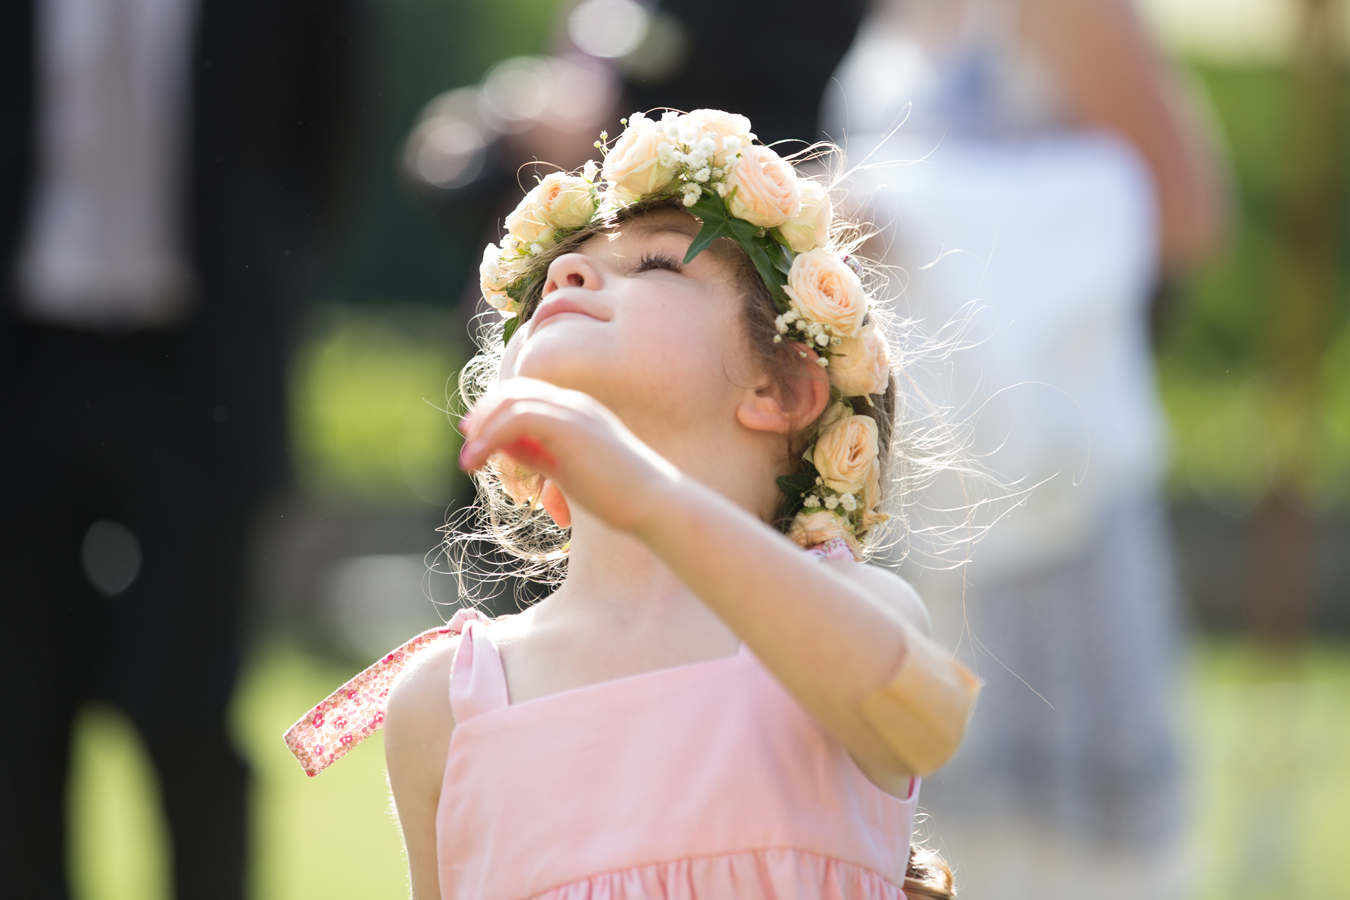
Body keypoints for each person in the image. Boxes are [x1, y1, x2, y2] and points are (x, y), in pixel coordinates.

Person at [283, 109, 981, 900]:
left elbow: (932, 720)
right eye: (561, 269)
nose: (563, 276)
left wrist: (649, 494)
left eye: (653, 264)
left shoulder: (841, 609)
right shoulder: (447, 700)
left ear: (781, 388)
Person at [821, 1, 1229, 897]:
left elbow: (1186, 213)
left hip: (1049, 480)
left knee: (1061, 852)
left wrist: (911, 217)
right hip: (920, 466)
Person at [0, 2, 358, 897]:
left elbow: (327, 138)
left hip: (199, 373)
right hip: (24, 363)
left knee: (185, 705)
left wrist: (260, 265)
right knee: (17, 710)